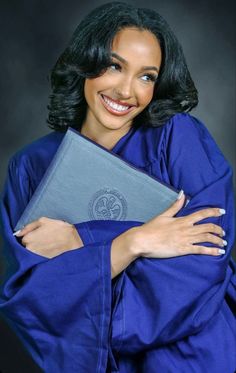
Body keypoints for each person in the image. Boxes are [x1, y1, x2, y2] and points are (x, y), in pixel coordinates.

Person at [0, 2, 235, 372]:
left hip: (194, 355)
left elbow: (205, 259)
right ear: (85, 64)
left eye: (147, 76)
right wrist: (136, 242)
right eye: (114, 66)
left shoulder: (179, 138)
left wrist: (82, 242)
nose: (127, 91)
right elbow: (32, 298)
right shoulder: (30, 168)